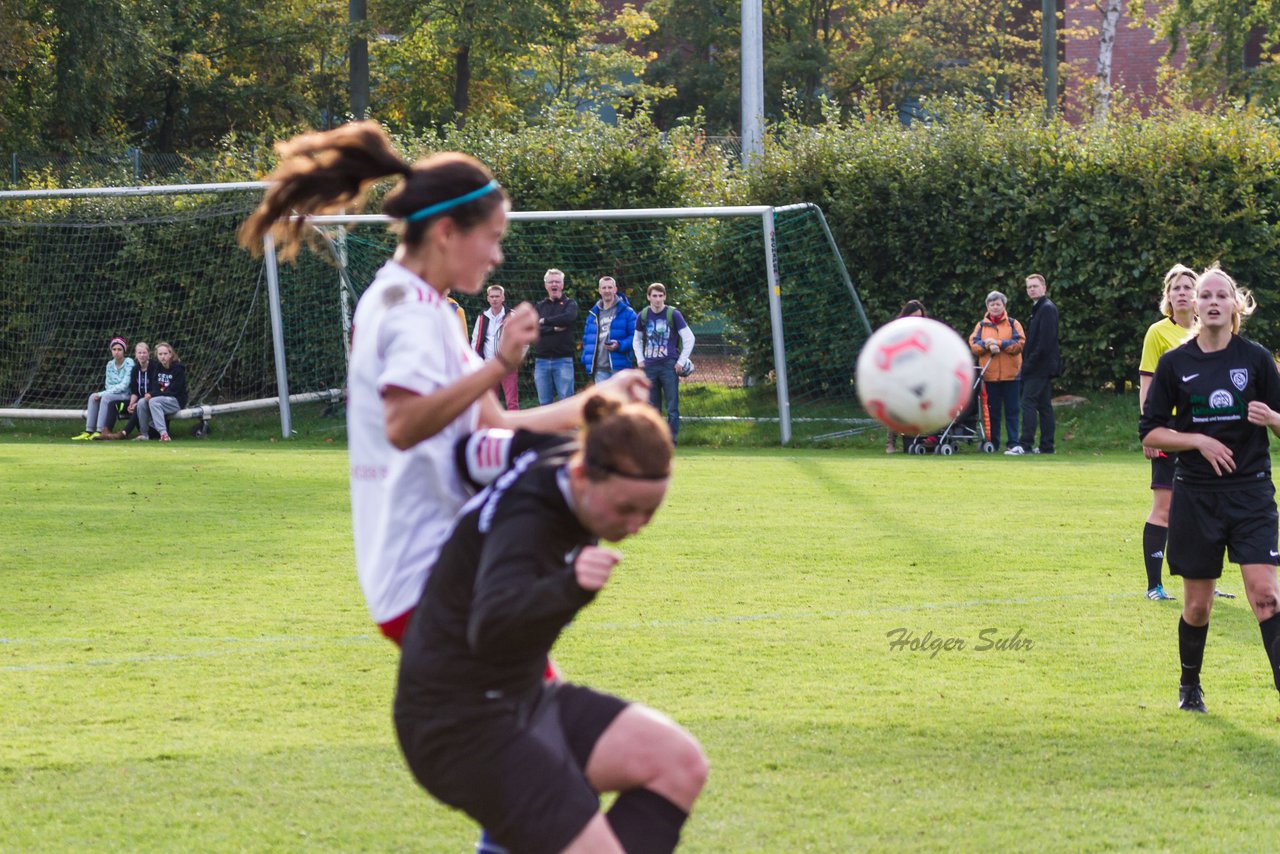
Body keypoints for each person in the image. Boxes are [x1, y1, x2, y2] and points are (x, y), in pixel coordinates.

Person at [237, 120, 648, 647]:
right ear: (447, 231)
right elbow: (404, 425)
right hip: (428, 583)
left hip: (444, 578)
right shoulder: (410, 311)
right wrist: (499, 364)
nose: (497, 255)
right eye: (493, 238)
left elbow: (491, 424)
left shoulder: (417, 303)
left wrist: (593, 401)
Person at [395, 394, 708, 853]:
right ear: (583, 476)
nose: (637, 524)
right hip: (457, 724)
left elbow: (469, 454)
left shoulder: (554, 451)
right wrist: (569, 587)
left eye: (650, 512)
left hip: (523, 700)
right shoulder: (528, 522)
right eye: (625, 509)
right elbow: (491, 627)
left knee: (678, 764)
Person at [1139, 265, 1280, 713]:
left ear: (1236, 305)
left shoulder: (1257, 359)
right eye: (1206, 296)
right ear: (1193, 306)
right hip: (1196, 494)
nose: (1213, 301)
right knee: (1197, 606)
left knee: (1266, 594)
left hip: (1251, 492)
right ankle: (1189, 686)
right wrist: (1196, 440)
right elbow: (1150, 434)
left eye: (1222, 295)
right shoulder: (1175, 363)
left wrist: (1273, 419)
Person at [1137, 264, 1198, 601]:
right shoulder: (1158, 332)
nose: (1182, 292)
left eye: (1188, 286)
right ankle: (1154, 585)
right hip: (1169, 428)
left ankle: (1203, 580)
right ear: (1168, 297)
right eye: (1175, 288)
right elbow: (1147, 382)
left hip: (1202, 428)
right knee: (1165, 506)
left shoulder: (1208, 331)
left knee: (1201, 505)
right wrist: (1150, 428)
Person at [634, 283, 695, 444]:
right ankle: (654, 441)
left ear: (665, 297)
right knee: (652, 407)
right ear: (648, 297)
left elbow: (689, 338)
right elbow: (637, 340)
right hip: (650, 366)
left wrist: (681, 361)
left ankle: (671, 440)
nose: (657, 299)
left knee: (672, 406)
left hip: (669, 365)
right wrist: (640, 359)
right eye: (654, 296)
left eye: (661, 296)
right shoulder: (643, 315)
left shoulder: (673, 314)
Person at [1008, 273, 1060, 455]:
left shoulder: (1046, 308)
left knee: (1028, 402)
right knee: (1044, 405)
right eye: (1029, 287)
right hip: (1040, 365)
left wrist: (1028, 364)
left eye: (1035, 286)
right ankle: (1047, 446)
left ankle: (1025, 444)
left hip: (1040, 366)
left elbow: (1045, 342)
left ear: (1044, 288)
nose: (1031, 289)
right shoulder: (1039, 308)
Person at [969, 291, 1024, 453]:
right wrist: (986, 344)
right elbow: (974, 345)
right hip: (990, 376)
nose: (995, 307)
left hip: (1012, 375)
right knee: (992, 413)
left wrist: (999, 343)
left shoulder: (1013, 324)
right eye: (992, 304)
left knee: (1012, 411)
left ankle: (1013, 443)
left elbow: (1019, 343)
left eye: (998, 304)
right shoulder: (981, 325)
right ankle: (993, 443)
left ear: (1003, 306)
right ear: (987, 306)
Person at [72, 336, 135, 441]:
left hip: (126, 394)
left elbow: (124, 385)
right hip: (112, 393)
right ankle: (88, 431)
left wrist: (102, 394)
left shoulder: (129, 362)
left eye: (119, 349)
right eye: (114, 349)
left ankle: (100, 431)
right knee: (93, 396)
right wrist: (102, 393)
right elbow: (108, 384)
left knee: (105, 396)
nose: (116, 352)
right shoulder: (109, 364)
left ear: (124, 350)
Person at [885, 300, 927, 453]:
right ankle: (890, 443)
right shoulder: (897, 330)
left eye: (920, 317)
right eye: (914, 316)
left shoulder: (925, 332)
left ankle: (915, 441)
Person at [534, 268, 578, 404]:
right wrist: (553, 328)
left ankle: (570, 427)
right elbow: (534, 329)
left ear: (562, 285)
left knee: (566, 401)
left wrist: (544, 321)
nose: (554, 285)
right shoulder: (539, 307)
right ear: (545, 285)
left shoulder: (570, 304)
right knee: (544, 403)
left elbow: (568, 318)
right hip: (541, 361)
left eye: (557, 282)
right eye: (551, 282)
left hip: (563, 360)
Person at [582, 276, 637, 385]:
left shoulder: (628, 312)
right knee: (604, 402)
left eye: (610, 287)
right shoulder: (592, 315)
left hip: (620, 368)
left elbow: (636, 337)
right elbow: (586, 340)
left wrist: (620, 345)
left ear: (615, 289)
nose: (607, 291)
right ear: (599, 290)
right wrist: (586, 360)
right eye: (604, 288)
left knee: (621, 401)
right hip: (599, 368)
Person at [471, 284, 519, 410]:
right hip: (489, 365)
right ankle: (492, 429)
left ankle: (514, 429)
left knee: (512, 402)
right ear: (488, 298)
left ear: (503, 297)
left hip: (507, 365)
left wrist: (514, 359)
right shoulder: (482, 317)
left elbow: (522, 341)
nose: (494, 299)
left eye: (497, 296)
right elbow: (475, 341)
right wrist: (479, 361)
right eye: (492, 296)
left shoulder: (512, 316)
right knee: (491, 403)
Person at [100, 341, 159, 440]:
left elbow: (156, 389)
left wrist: (139, 402)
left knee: (139, 405)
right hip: (138, 401)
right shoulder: (135, 369)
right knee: (113, 404)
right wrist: (131, 403)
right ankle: (106, 432)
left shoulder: (154, 367)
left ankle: (123, 433)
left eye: (144, 352)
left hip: (150, 400)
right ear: (135, 354)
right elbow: (135, 391)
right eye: (139, 353)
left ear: (148, 354)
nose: (142, 355)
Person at [134, 342, 187, 442]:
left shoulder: (178, 369)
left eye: (165, 354)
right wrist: (151, 394)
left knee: (154, 401)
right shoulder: (158, 368)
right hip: (161, 399)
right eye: (160, 354)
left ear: (170, 354)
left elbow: (174, 391)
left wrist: (153, 395)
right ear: (157, 356)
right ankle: (144, 434)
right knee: (141, 402)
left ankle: (164, 434)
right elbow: (155, 387)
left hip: (176, 401)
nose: (163, 357)